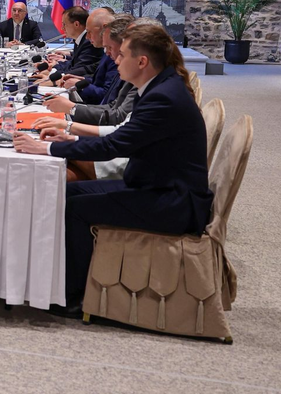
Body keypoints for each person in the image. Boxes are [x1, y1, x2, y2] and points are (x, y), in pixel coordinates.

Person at [13, 25, 212, 315]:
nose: (116, 60)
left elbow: (113, 147)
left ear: (142, 61)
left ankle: (73, 296)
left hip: (172, 201)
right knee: (66, 192)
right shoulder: (159, 86)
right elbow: (122, 138)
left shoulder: (162, 97)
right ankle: (54, 277)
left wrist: (47, 148)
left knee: (77, 209)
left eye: (122, 56)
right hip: (156, 184)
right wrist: (71, 138)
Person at [40, 6, 104, 84]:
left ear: (76, 24)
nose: (62, 28)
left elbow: (80, 69)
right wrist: (54, 68)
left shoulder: (89, 42)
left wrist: (54, 73)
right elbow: (72, 64)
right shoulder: (80, 39)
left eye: (64, 24)